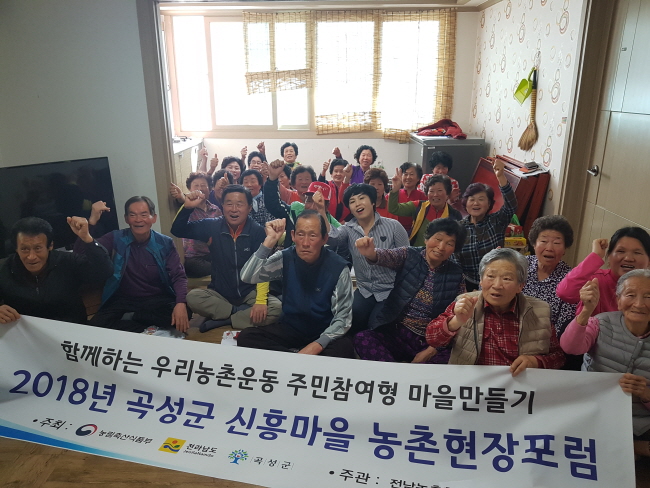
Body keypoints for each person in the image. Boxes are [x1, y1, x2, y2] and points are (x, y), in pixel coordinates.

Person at [427, 248, 565, 374]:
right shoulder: (465, 302)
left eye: (507, 279)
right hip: (472, 386)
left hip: (517, 388)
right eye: (491, 276)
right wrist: (456, 321)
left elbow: (558, 357)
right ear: (481, 280)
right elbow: (432, 339)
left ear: (520, 286)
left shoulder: (540, 311)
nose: (497, 285)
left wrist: (536, 362)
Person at [237, 212, 354, 358]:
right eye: (300, 234)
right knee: (247, 337)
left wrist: (317, 345)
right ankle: (298, 358)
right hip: (291, 327)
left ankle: (290, 358)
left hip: (323, 330)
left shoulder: (338, 267)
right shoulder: (285, 257)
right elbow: (247, 276)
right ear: (293, 235)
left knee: (344, 349)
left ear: (324, 239)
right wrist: (270, 240)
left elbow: (343, 318)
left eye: (312, 236)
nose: (305, 243)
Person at [560, 269, 650, 457]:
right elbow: (570, 347)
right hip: (594, 411)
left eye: (648, 296)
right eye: (630, 295)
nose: (639, 304)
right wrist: (586, 311)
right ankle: (627, 448)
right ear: (618, 300)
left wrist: (646, 394)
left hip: (641, 423)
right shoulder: (601, 322)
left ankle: (626, 446)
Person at [353, 219, 466, 363]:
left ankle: (397, 371)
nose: (441, 247)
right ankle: (400, 374)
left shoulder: (456, 274)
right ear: (426, 239)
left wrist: (432, 350)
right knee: (363, 339)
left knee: (450, 359)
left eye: (449, 244)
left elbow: (457, 316)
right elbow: (387, 256)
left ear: (454, 249)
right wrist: (371, 254)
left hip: (430, 340)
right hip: (397, 332)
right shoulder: (410, 254)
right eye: (438, 239)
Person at [171, 185, 281, 331]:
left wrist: (260, 301)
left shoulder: (258, 232)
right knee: (193, 297)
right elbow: (177, 230)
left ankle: (225, 320)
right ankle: (239, 313)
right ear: (222, 206)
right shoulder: (212, 227)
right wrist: (187, 208)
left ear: (249, 208)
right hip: (220, 293)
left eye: (239, 204)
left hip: (249, 293)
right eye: (229, 204)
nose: (234, 209)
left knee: (276, 308)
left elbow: (262, 269)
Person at [75, 196, 190, 334]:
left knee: (185, 312)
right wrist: (92, 221)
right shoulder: (116, 238)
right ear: (126, 219)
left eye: (144, 215)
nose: (138, 220)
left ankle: (133, 319)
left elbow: (178, 276)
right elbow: (80, 254)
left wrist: (180, 303)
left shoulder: (165, 243)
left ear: (154, 218)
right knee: (97, 325)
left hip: (157, 299)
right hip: (123, 300)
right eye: (132, 215)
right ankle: (148, 327)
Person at [317, 184, 409, 334]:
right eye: (352, 201)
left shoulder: (394, 226)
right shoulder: (348, 229)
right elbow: (332, 239)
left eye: (361, 198)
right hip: (365, 290)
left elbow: (408, 258)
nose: (357, 204)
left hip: (391, 290)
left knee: (377, 324)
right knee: (350, 319)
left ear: (372, 202)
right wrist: (321, 210)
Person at [0, 216, 113, 325]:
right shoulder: (3, 268)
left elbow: (104, 272)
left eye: (38, 248)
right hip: (23, 332)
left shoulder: (68, 261)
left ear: (50, 246)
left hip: (70, 330)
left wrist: (87, 239)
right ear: (16, 248)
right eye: (24, 249)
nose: (31, 256)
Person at [557, 227, 650, 317]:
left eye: (637, 253)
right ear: (609, 256)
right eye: (621, 251)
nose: (628, 258)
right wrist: (595, 255)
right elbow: (565, 293)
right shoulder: (595, 280)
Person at [456, 158, 517, 291]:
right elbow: (455, 261)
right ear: (465, 203)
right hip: (467, 283)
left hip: (495, 281)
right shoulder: (458, 228)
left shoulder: (497, 221)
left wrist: (501, 176)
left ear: (489, 204)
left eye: (481, 199)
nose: (476, 203)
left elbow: (511, 205)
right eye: (472, 199)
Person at [264, 160, 342, 248]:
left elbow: (340, 242)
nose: (312, 207)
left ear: (327, 207)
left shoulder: (333, 224)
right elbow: (273, 205)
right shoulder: (295, 210)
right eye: (309, 201)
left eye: (318, 203)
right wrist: (272, 179)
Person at [522, 215, 577, 335]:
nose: (549, 248)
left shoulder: (570, 280)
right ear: (534, 244)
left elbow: (563, 327)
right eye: (543, 241)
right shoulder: (521, 265)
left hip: (545, 341)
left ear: (565, 249)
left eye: (557, 243)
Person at [169, 172, 221, 278]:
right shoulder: (187, 206)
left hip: (212, 254)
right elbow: (181, 200)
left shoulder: (216, 209)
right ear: (189, 189)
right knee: (212, 268)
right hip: (193, 257)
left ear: (210, 189)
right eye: (196, 185)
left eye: (203, 185)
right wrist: (180, 196)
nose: (200, 188)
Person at [389, 173, 462, 246]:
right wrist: (395, 190)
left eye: (439, 191)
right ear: (427, 193)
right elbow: (394, 209)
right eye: (431, 191)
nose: (435, 194)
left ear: (447, 194)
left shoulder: (454, 215)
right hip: (416, 251)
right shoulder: (419, 206)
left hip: (441, 252)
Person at [394, 162, 426, 232]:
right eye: (405, 174)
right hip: (395, 230)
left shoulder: (423, 196)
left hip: (416, 231)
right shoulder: (394, 195)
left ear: (418, 178)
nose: (408, 177)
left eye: (411, 174)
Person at [318, 158, 351, 223]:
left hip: (346, 224)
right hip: (326, 222)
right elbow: (319, 186)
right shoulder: (327, 186)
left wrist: (344, 222)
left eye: (341, 171)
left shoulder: (351, 188)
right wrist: (324, 171)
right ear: (331, 174)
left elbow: (354, 208)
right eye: (336, 171)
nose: (338, 174)